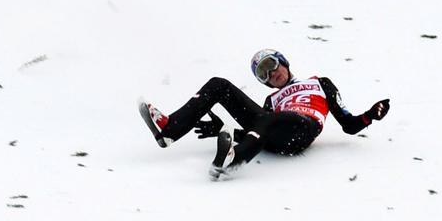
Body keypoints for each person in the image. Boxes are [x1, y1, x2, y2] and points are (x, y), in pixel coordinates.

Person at [138, 49, 391, 179]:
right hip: (278, 128)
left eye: (271, 65)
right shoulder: (272, 99)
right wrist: (227, 131)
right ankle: (170, 129)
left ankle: (233, 163)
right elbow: (262, 135)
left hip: (303, 129)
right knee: (218, 85)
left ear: (283, 61)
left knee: (269, 118)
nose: (272, 75)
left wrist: (369, 115)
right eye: (264, 75)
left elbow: (348, 125)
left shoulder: (320, 83)